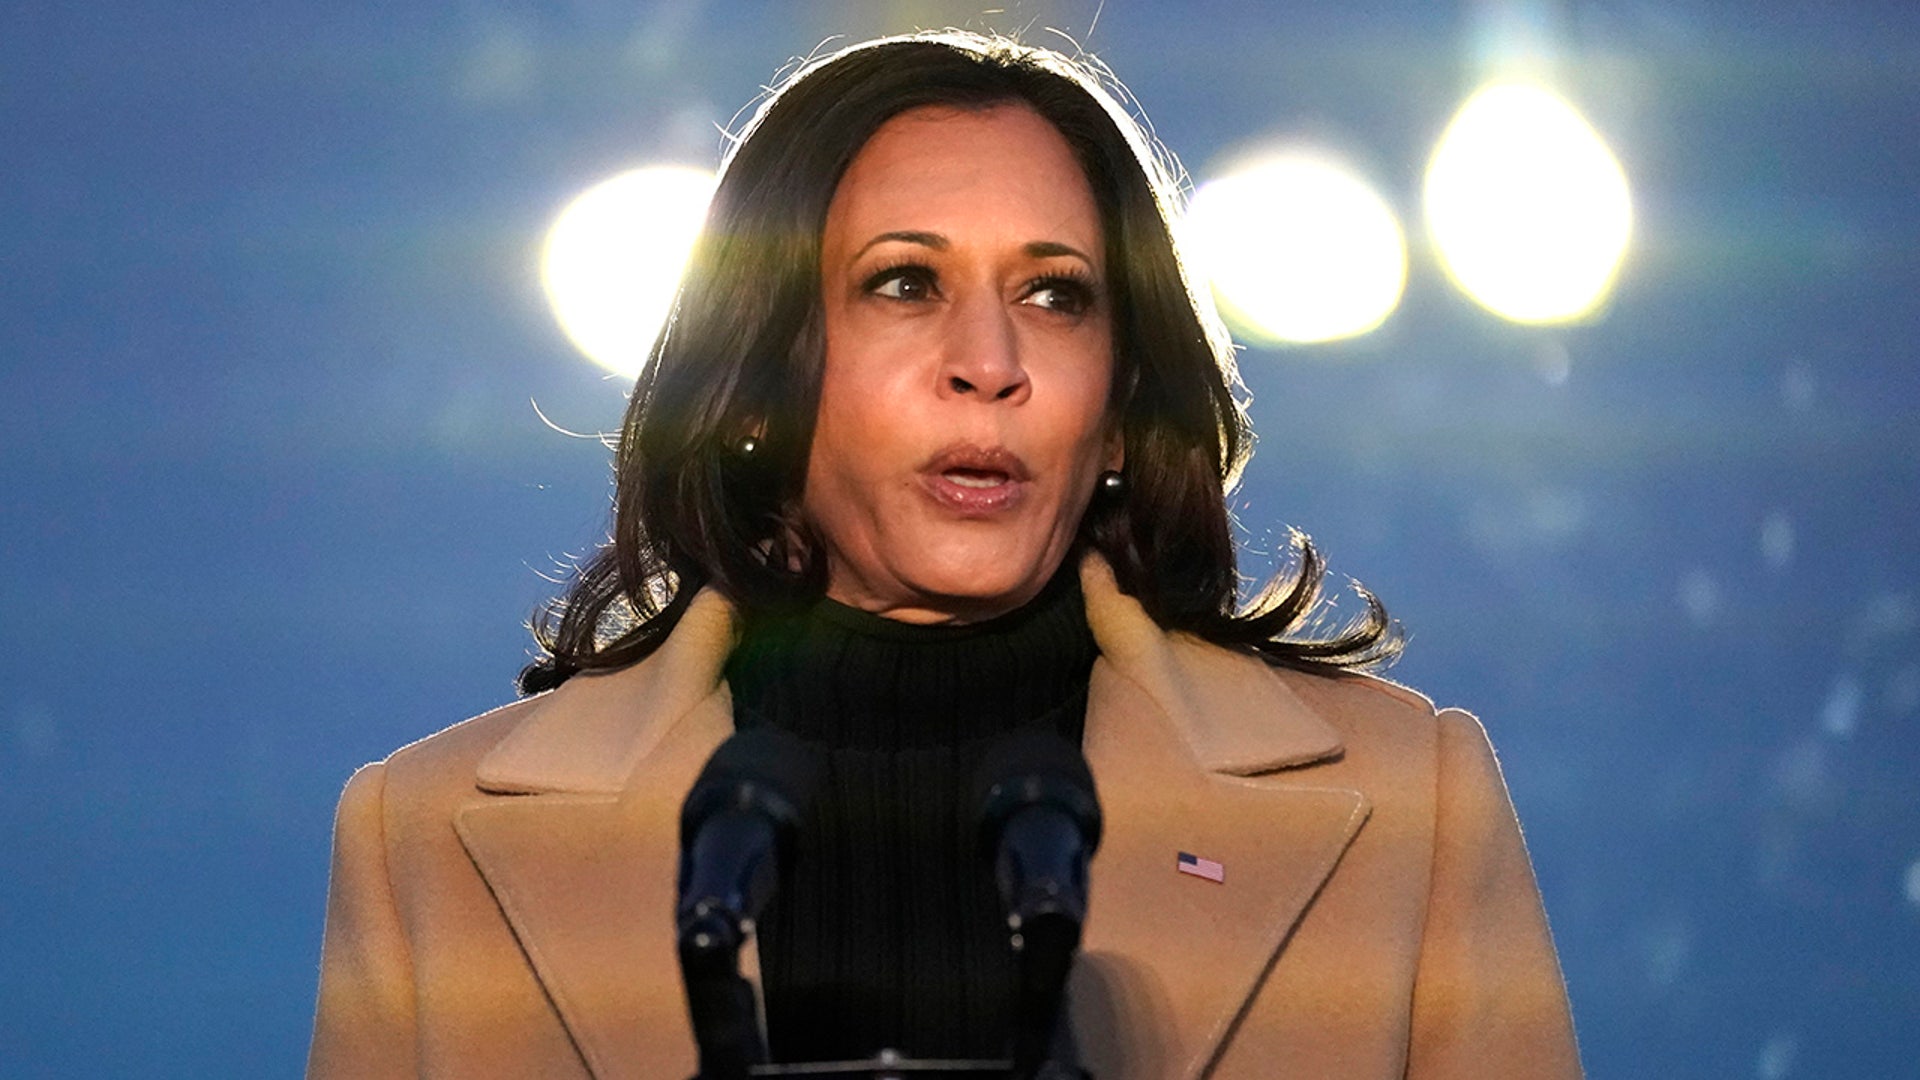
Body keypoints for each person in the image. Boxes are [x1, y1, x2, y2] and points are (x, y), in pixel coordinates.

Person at [307, 30, 1582, 1079]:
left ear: (1125, 399)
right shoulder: (424, 844)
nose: (992, 362)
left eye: (1055, 294)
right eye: (904, 284)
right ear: (756, 383)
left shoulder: (1412, 808)